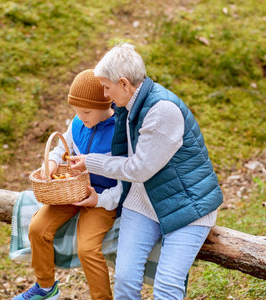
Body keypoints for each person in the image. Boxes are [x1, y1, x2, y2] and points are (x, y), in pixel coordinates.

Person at [70, 44, 223, 300]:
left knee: (166, 287)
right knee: (125, 279)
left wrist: (90, 162)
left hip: (186, 205)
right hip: (143, 202)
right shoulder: (127, 106)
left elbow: (138, 169)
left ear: (124, 83)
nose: (105, 94)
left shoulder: (162, 111)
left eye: (107, 87)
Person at [13, 69, 121, 300]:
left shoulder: (119, 132)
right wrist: (51, 162)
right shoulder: (78, 124)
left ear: (106, 104)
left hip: (102, 198)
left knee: (87, 249)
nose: (81, 116)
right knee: (38, 228)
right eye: (76, 111)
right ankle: (46, 287)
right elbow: (62, 147)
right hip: (72, 190)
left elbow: (126, 179)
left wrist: (101, 200)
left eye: (86, 111)